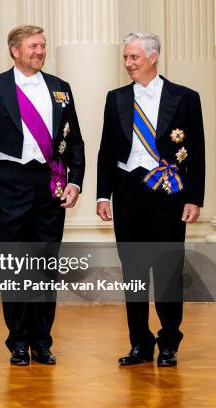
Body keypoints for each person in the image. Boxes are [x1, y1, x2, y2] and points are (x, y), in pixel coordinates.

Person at [0, 25, 85, 366]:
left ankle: (42, 341)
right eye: (33, 46)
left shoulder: (60, 88)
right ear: (15, 50)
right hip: (9, 185)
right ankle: (18, 341)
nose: (40, 51)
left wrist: (75, 182)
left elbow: (74, 141)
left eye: (43, 46)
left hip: (51, 185)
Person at [96, 32, 205, 367]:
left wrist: (194, 198)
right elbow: (106, 150)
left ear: (153, 57)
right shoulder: (116, 98)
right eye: (126, 58)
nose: (128, 63)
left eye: (134, 58)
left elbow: (198, 150)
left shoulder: (184, 97)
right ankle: (140, 343)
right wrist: (103, 195)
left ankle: (169, 342)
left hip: (168, 193)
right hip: (128, 193)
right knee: (134, 272)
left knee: (169, 270)